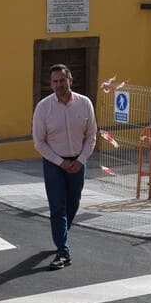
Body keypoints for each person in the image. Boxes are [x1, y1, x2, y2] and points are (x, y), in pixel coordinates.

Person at [32, 64, 98, 270]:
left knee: (73, 203)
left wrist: (80, 160)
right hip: (54, 163)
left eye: (62, 80)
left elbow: (91, 135)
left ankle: (61, 237)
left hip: (78, 161)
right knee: (58, 207)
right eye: (55, 81)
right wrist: (62, 162)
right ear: (50, 84)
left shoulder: (84, 103)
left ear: (70, 80)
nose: (59, 84)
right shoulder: (43, 108)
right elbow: (39, 142)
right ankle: (63, 251)